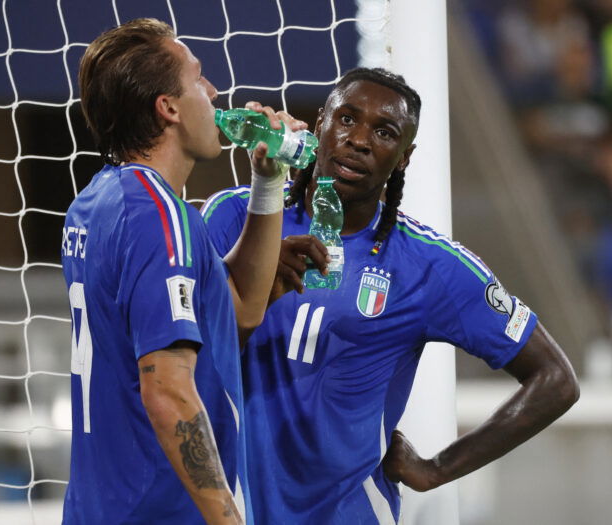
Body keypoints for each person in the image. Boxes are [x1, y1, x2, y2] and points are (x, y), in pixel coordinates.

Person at [203, 67, 580, 524]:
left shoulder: (429, 265)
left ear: (404, 157)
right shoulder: (232, 218)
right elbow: (183, 352)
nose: (359, 140)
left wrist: (435, 469)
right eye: (346, 119)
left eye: (384, 132)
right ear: (320, 122)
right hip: (230, 510)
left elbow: (556, 379)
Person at [61, 18, 304, 524]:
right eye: (198, 78)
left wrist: (268, 182)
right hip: (159, 512)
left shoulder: (97, 202)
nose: (214, 92)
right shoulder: (159, 215)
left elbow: (238, 313)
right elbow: (167, 388)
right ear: (168, 108)